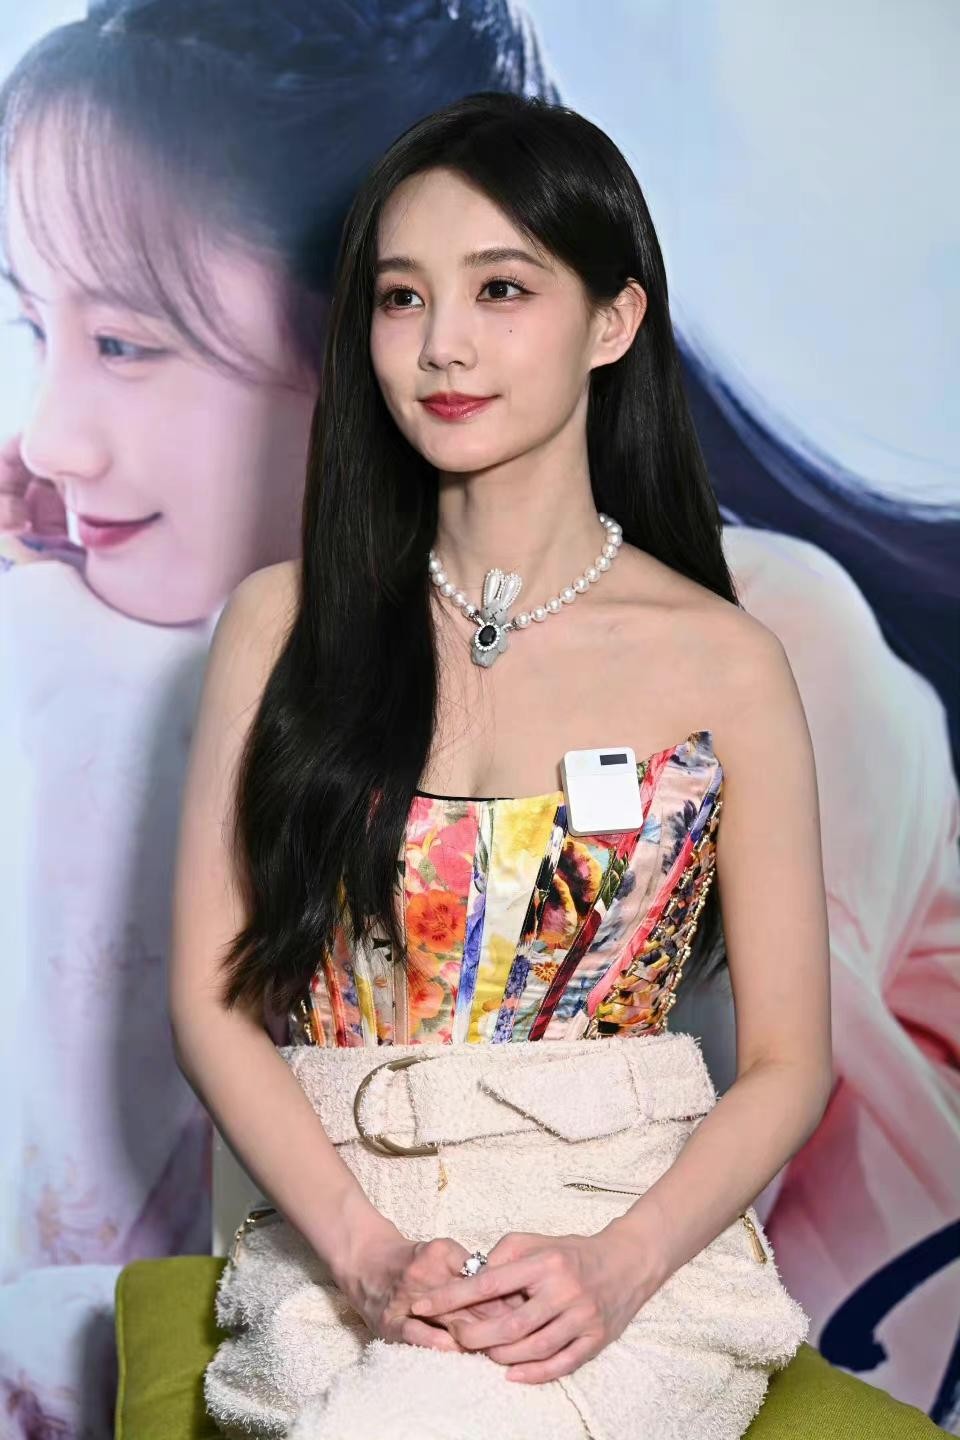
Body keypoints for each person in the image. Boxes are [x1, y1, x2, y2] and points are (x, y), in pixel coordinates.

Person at [172, 92, 831, 1438]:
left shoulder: (726, 662)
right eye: (401, 297)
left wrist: (620, 1266)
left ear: (614, 320)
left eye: (502, 289)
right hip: (346, 1252)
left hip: (623, 1264)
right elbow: (212, 1000)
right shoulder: (280, 626)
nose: (443, 345)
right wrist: (366, 1258)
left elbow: (787, 1060)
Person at [0, 0, 559, 1428]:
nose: (48, 436)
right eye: (33, 325)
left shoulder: (706, 652)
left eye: (124, 343)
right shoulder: (66, 646)